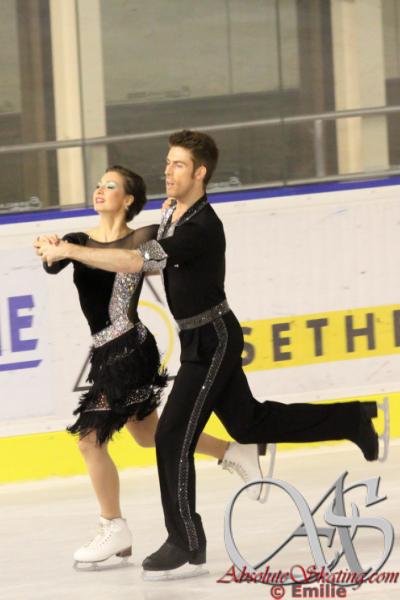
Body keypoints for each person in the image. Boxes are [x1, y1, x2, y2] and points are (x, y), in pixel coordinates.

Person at [34, 132, 386, 580]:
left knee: (169, 436)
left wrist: (69, 249)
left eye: (179, 165)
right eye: (168, 163)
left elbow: (135, 261)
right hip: (198, 339)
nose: (168, 171)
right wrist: (62, 250)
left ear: (200, 173)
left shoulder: (201, 227)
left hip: (213, 340)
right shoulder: (174, 213)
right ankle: (353, 418)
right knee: (250, 423)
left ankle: (185, 540)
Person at [34, 164, 264, 571]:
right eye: (98, 184)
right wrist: (49, 245)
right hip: (106, 351)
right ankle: (231, 450)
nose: (99, 190)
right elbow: (51, 263)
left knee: (90, 440)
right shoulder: (78, 240)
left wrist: (174, 207)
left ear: (128, 199)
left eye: (110, 186)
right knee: (150, 436)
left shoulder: (143, 237)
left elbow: (175, 245)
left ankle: (114, 526)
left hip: (128, 350)